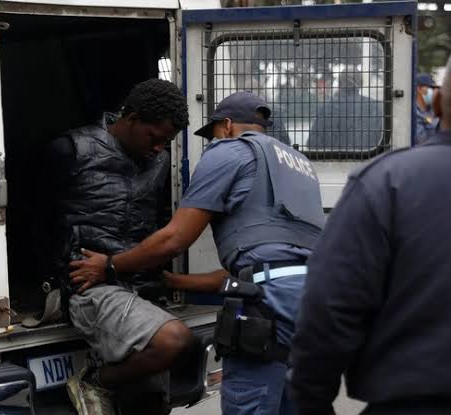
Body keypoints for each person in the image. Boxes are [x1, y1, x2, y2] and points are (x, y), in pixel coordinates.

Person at [70, 91, 326, 415]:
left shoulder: (231, 150)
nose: (212, 143)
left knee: (250, 405)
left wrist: (109, 265)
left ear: (227, 125)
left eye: (213, 134)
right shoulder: (298, 165)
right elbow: (269, 266)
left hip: (268, 308)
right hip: (316, 302)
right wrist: (175, 282)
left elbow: (174, 239)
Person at [288, 41, 451, 415]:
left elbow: (330, 305)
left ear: (438, 103)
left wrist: (311, 401)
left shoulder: (385, 182)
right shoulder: (384, 174)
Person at [42, 79, 194, 415]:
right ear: (132, 118)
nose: (159, 148)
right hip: (91, 285)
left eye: (167, 142)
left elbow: (158, 221)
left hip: (139, 286)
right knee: (173, 340)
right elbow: (36, 216)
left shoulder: (160, 162)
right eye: (154, 138)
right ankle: (95, 381)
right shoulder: (71, 149)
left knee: (150, 402)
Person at [306, 71, 383, 151]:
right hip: (369, 158)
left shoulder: (325, 108)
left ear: (339, 84)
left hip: (332, 158)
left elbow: (312, 144)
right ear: (361, 84)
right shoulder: (375, 107)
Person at [414, 73, 440, 145]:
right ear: (419, 89)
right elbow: (422, 141)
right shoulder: (414, 113)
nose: (435, 91)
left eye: (435, 89)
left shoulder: (434, 109)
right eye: (431, 88)